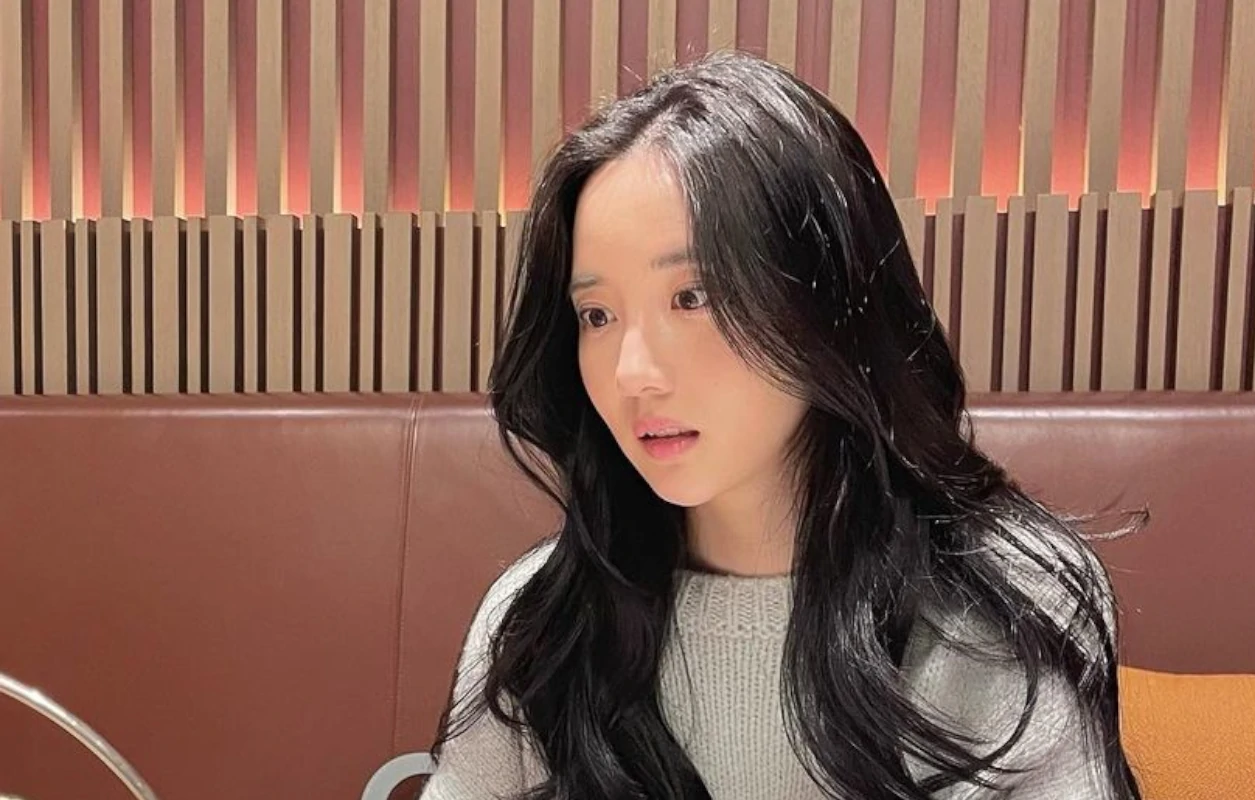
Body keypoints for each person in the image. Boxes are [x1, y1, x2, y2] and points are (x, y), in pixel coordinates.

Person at [420, 50, 1144, 800]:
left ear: (822, 300)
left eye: (692, 298)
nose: (632, 371)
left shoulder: (1001, 605)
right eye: (597, 315)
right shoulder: (544, 623)